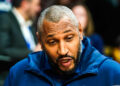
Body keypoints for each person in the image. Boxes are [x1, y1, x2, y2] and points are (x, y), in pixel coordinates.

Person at [4, 5, 120, 86]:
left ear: (80, 32)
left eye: (69, 38)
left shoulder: (112, 73)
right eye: (52, 42)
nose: (63, 51)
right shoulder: (18, 74)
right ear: (40, 40)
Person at [0, 0, 41, 69]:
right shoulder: (5, 19)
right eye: (36, 5)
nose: (38, 9)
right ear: (25, 4)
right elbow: (2, 50)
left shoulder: (30, 24)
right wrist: (33, 52)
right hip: (12, 73)